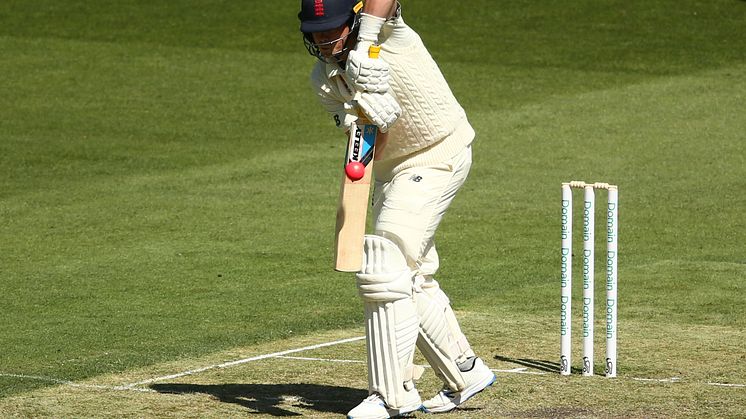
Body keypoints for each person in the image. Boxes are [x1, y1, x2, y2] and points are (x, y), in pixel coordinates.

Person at [298, 1, 496, 417]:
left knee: (383, 264)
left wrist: (367, 42)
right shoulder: (324, 80)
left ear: (352, 20)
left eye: (330, 29)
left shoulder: (388, 31)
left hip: (438, 154)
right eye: (315, 33)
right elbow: (368, 148)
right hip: (392, 173)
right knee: (410, 276)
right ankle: (465, 371)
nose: (322, 40)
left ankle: (391, 395)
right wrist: (373, 117)